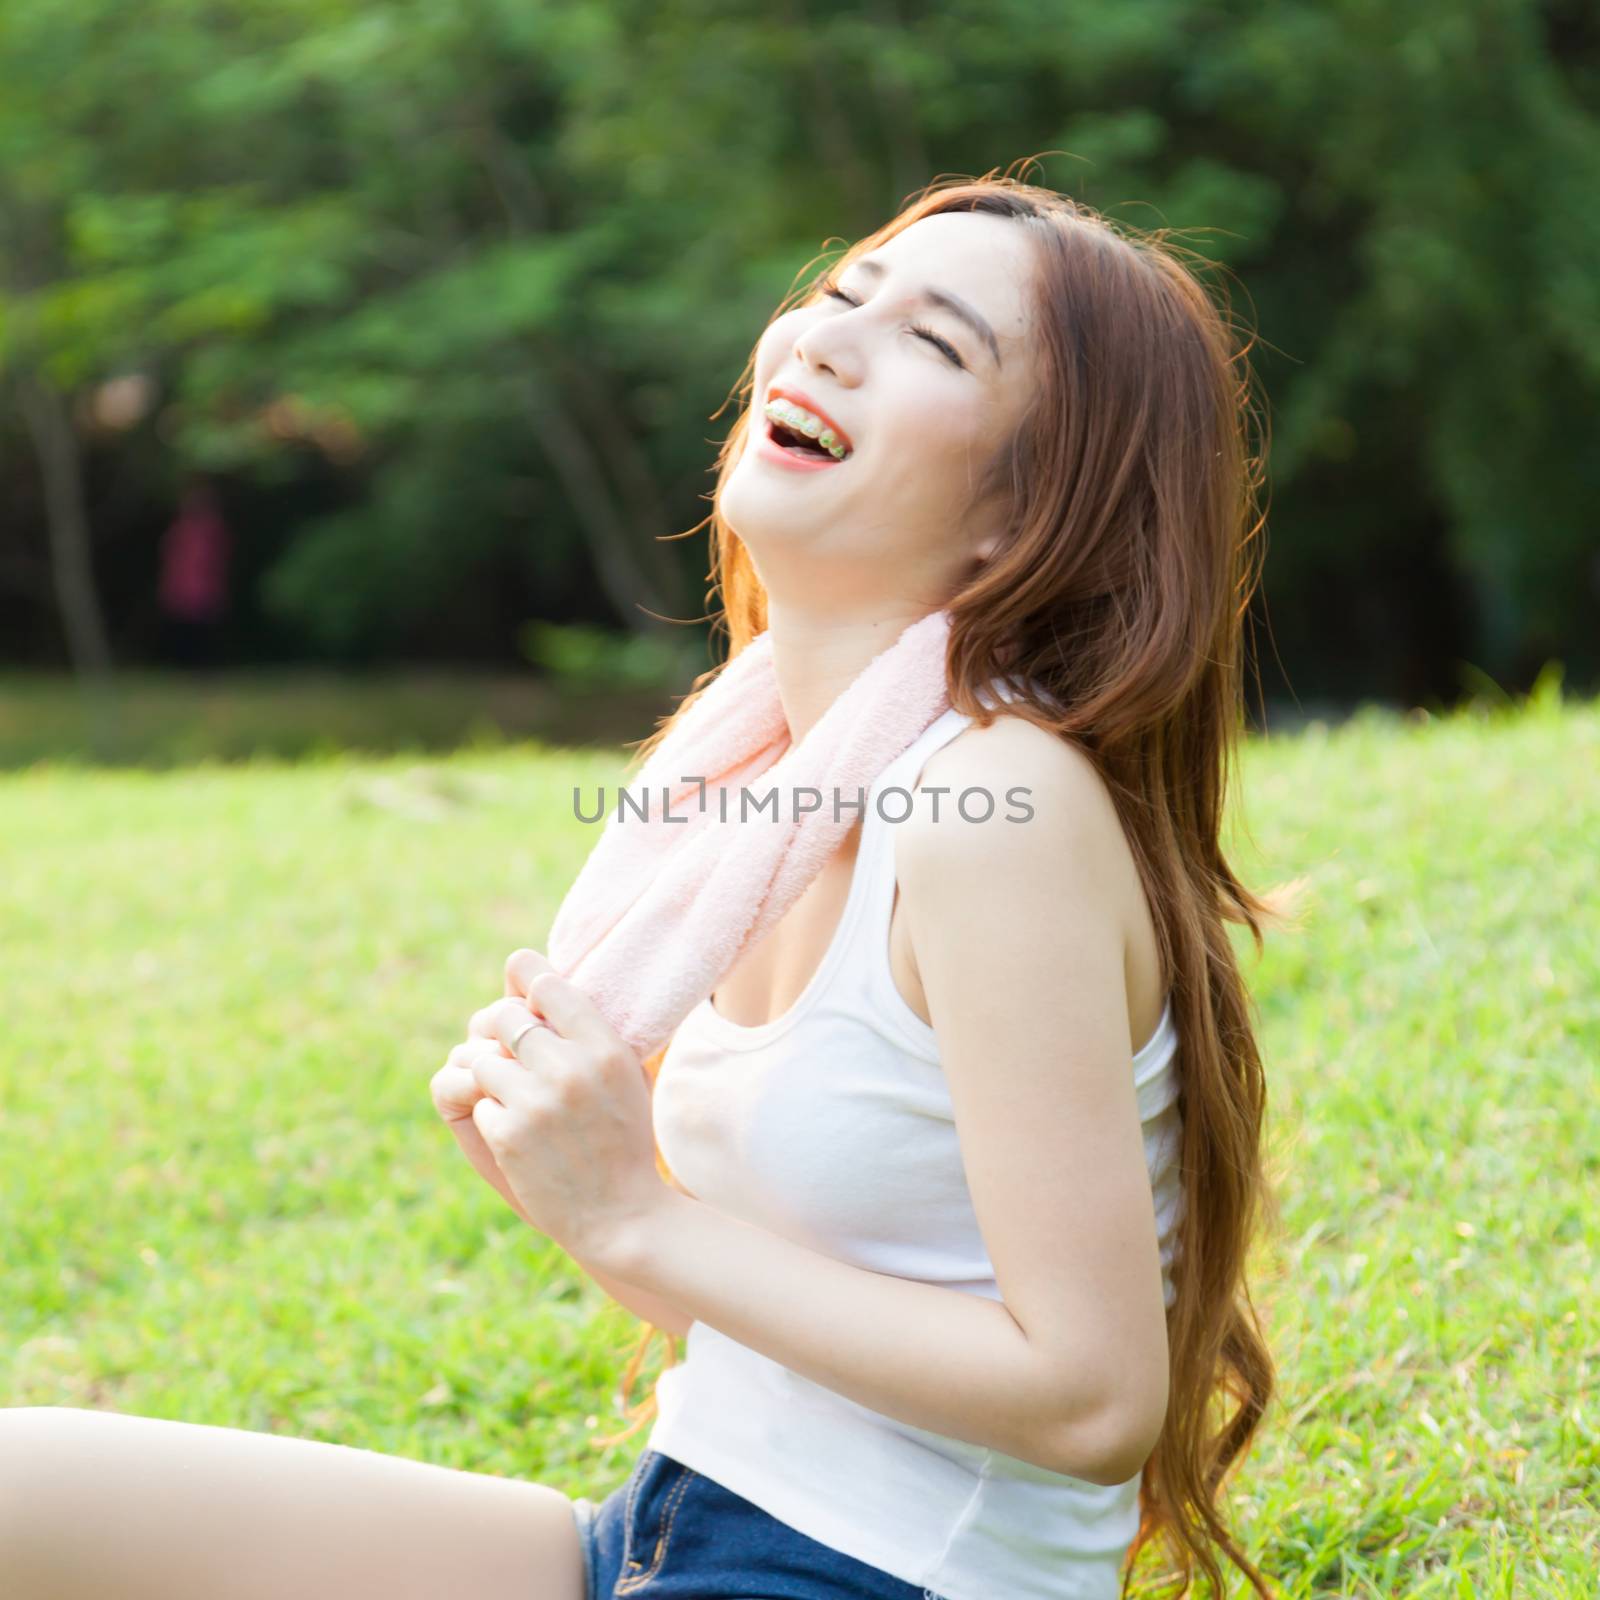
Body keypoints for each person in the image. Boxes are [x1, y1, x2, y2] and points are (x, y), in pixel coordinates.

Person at [0, 169, 1283, 1600]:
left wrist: (639, 1215)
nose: (827, 338)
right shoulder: (755, 790)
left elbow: (1097, 1400)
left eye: (935, 343)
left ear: (1024, 511)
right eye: (843, 293)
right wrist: (573, 1192)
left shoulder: (1000, 804)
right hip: (661, 1528)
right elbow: (757, 1327)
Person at [157, 476, 232, 671]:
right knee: (183, 633)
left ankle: (204, 668)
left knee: (204, 633)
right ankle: (183, 667)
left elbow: (218, 560)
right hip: (181, 589)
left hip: (205, 590)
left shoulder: (212, 530)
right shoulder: (179, 530)